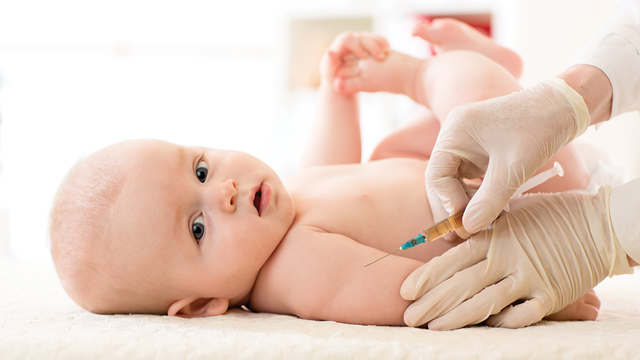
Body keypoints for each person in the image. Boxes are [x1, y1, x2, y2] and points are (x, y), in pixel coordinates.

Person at [50, 26, 597, 325]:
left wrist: (336, 89)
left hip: (489, 172)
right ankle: (430, 72)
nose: (226, 191)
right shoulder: (294, 272)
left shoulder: (283, 212)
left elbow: (328, 166)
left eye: (200, 169)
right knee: (472, 103)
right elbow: (415, 295)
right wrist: (540, 291)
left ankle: (488, 69)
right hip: (537, 191)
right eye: (197, 227)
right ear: (199, 305)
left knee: (389, 148)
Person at [403, 0, 640, 330]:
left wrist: (604, 231)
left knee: (404, 140)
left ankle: (419, 74)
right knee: (473, 103)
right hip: (556, 203)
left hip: (562, 219)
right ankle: (430, 72)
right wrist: (563, 101)